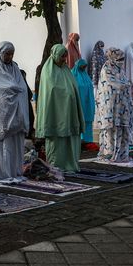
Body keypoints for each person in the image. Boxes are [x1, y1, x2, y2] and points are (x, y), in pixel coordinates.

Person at [0, 42, 30, 182]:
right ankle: (0, 173)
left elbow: (22, 87)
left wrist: (14, 90)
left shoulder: (14, 68)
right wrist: (9, 90)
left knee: (14, 147)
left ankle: (14, 171)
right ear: (0, 54)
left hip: (16, 116)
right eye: (7, 54)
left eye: (11, 54)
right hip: (0, 117)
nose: (9, 57)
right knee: (1, 147)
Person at [37, 44, 85, 172]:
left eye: (65, 56)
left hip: (70, 113)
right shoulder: (48, 71)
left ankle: (70, 165)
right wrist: (66, 94)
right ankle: (56, 166)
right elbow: (51, 91)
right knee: (57, 142)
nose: (64, 59)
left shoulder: (66, 70)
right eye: (62, 56)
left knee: (70, 140)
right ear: (55, 55)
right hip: (55, 114)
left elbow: (72, 88)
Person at [95, 48, 133, 163]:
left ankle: (122, 154)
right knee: (112, 129)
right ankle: (109, 153)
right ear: (113, 58)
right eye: (119, 59)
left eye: (122, 59)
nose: (121, 61)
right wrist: (124, 85)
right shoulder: (106, 68)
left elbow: (124, 82)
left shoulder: (120, 69)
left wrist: (127, 85)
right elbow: (110, 83)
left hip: (122, 105)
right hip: (111, 107)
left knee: (123, 129)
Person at [71, 59, 95, 143]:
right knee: (79, 120)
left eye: (85, 66)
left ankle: (88, 141)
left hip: (88, 103)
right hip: (79, 103)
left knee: (88, 121)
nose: (84, 68)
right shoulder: (72, 75)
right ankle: (79, 141)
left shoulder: (86, 75)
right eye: (82, 66)